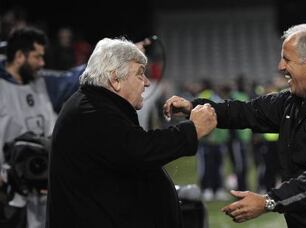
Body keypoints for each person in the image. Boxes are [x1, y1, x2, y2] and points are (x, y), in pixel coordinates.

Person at [164, 24, 306, 228]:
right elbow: (245, 112)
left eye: (287, 59)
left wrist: (268, 201)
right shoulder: (292, 102)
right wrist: (194, 106)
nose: (280, 66)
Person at [46, 37, 217, 228]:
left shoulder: (95, 104)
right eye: (139, 74)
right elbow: (140, 149)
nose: (146, 83)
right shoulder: (92, 111)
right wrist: (192, 130)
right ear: (115, 79)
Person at [0, 26, 82, 228]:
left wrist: (119, 54)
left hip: (43, 186)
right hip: (8, 193)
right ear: (20, 56)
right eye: (37, 57)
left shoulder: (43, 82)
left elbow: (76, 77)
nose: (42, 63)